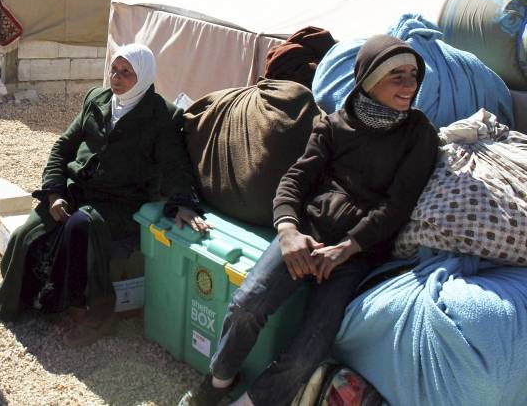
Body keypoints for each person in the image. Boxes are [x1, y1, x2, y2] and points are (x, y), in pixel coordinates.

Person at [179, 35, 439, 406]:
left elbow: (397, 207)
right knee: (246, 305)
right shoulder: (334, 125)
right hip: (308, 233)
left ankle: (251, 401)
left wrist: (346, 250)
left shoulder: (419, 135)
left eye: (413, 74)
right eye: (396, 75)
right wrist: (287, 230)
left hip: (357, 252)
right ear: (368, 78)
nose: (409, 84)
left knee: (310, 348)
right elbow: (294, 180)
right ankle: (219, 380)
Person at [0, 43, 206, 346]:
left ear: (143, 77)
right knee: (28, 232)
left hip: (121, 201)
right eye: (114, 70)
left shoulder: (162, 115)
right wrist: (54, 192)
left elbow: (175, 165)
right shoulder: (98, 99)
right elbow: (63, 147)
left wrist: (183, 202)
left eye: (126, 73)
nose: (116, 78)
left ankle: (89, 315)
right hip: (78, 189)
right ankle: (24, 299)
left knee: (79, 227)